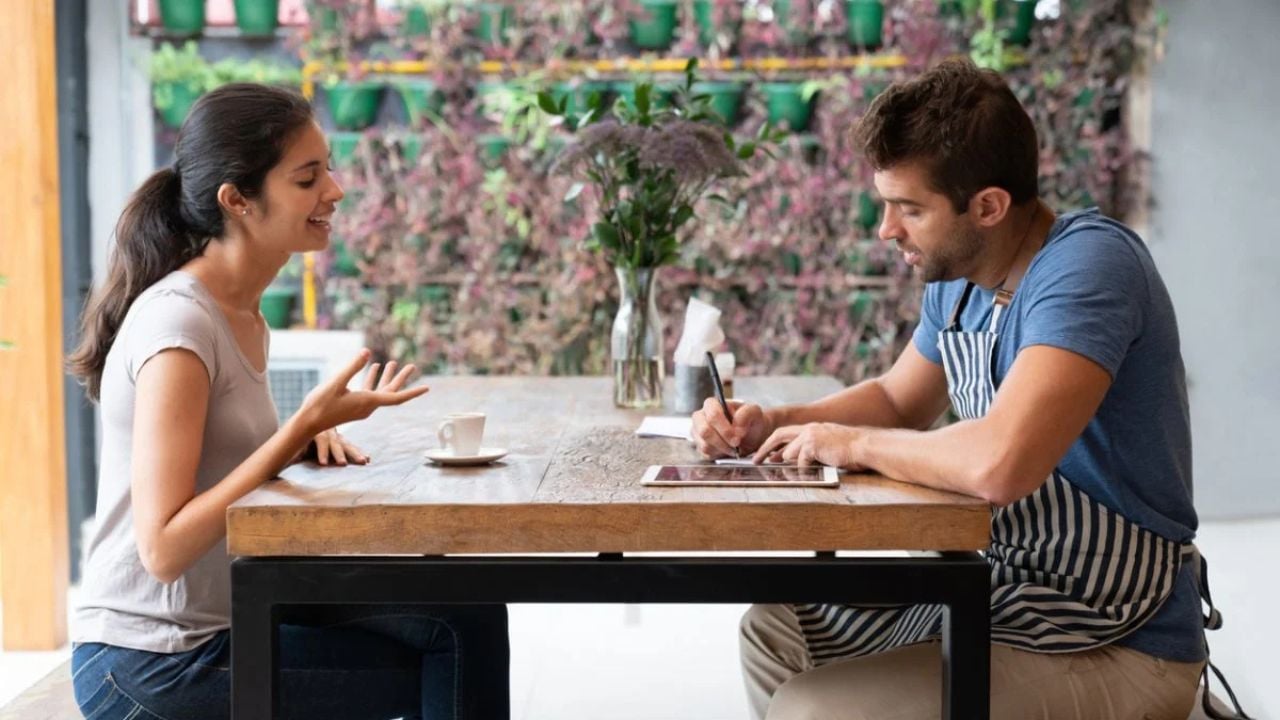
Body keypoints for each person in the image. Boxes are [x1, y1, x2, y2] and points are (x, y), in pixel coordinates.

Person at [693, 60, 1246, 720]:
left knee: (818, 707)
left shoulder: (1089, 268)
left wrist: (846, 444)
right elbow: (900, 401)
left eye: (909, 209)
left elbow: (999, 463)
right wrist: (777, 423)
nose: (886, 230)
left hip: (1120, 638)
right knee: (776, 631)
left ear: (988, 207)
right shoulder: (960, 281)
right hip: (1008, 593)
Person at [66, 83, 509, 720]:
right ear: (237, 200)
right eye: (308, 179)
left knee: (462, 613)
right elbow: (162, 549)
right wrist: (293, 432)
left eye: (327, 169)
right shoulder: (179, 328)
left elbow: (216, 459)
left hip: (227, 612)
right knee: (445, 657)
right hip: (150, 662)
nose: (335, 191)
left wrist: (302, 439)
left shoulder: (242, 314)